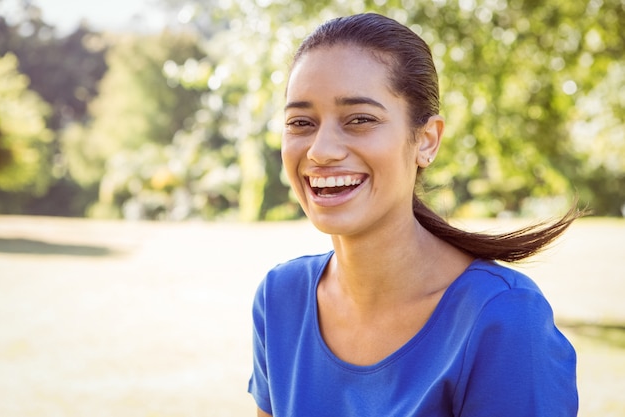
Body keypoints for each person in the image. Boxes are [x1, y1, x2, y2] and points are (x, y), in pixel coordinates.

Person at [248, 12, 581, 417]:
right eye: (301, 122)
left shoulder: (504, 318)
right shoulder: (279, 299)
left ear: (426, 140)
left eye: (360, 120)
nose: (321, 150)